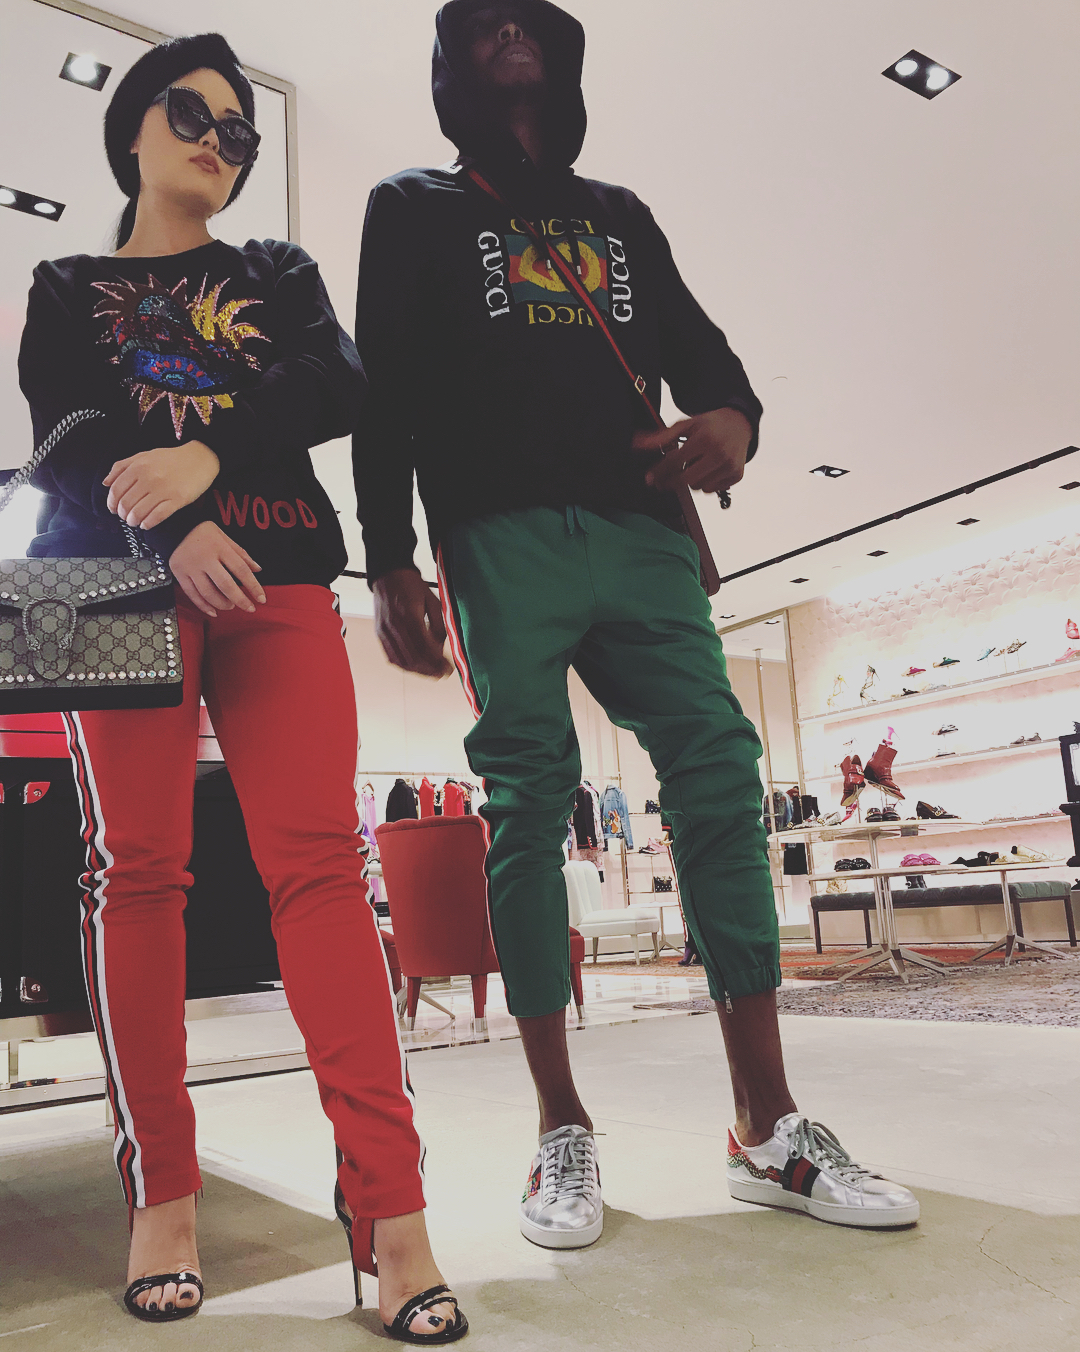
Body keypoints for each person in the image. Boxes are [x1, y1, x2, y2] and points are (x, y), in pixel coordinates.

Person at [353, 0, 919, 1250]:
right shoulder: (412, 207)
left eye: (531, 20)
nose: (512, 32)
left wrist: (734, 427)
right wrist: (387, 555)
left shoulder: (620, 214)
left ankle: (765, 1124)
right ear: (453, 62)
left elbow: (713, 365)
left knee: (718, 764)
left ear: (562, 58)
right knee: (526, 792)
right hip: (497, 532)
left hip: (644, 530)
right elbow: (384, 390)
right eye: (486, 22)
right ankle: (562, 1120)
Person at [18, 33, 466, 1342]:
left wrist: (207, 458)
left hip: (277, 573)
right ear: (133, 127)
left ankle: (391, 1210)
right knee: (135, 869)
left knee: (321, 869)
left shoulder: (273, 273)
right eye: (192, 113)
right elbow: (64, 431)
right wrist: (169, 524)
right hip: (101, 585)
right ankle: (161, 1193)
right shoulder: (65, 283)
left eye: (240, 128)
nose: (221, 138)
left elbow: (337, 379)